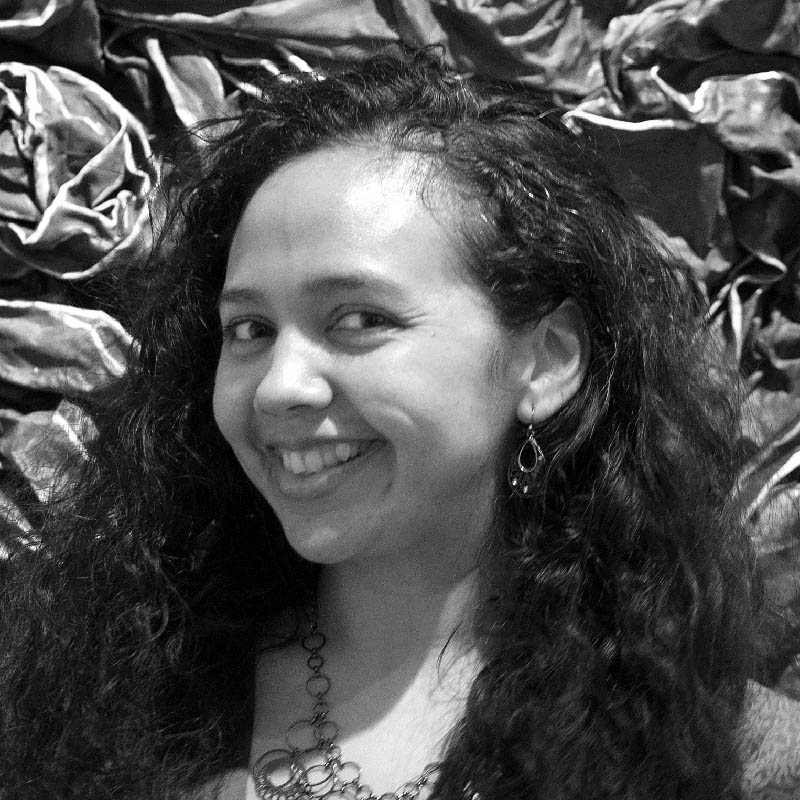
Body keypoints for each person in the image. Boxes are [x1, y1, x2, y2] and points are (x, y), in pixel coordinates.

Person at [0, 50, 758, 800]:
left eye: (360, 319)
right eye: (249, 329)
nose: (279, 387)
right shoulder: (99, 701)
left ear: (547, 360)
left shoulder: (731, 755)